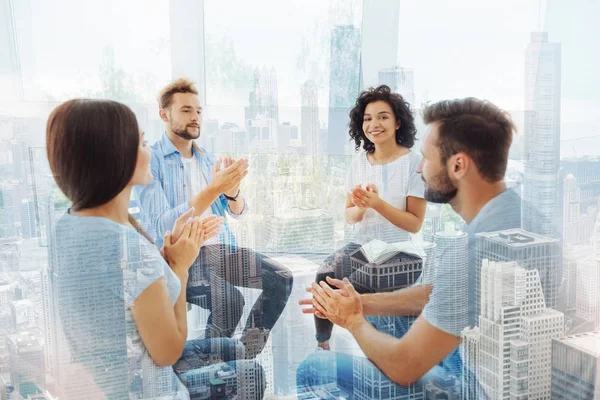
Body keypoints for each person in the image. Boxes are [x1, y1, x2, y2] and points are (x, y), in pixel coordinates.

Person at [297, 97, 522, 396]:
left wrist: (353, 318)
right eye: (367, 118)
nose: (419, 170)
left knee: (311, 370)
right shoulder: (504, 222)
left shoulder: (469, 252)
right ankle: (340, 342)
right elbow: (435, 293)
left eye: (426, 159)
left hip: (461, 376)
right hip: (466, 358)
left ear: (458, 165)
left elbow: (404, 366)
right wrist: (357, 305)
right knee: (350, 287)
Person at [46, 99, 265, 399]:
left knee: (231, 347)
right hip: (145, 387)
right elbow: (168, 352)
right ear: (115, 158)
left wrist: (163, 260)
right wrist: (179, 268)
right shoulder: (126, 245)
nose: (149, 152)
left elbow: (118, 290)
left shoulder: (68, 224)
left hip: (109, 374)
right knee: (251, 374)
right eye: (143, 144)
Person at [134, 78, 292, 353]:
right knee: (230, 302)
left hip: (221, 250)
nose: (195, 117)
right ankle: (209, 373)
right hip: (182, 256)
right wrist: (214, 187)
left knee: (281, 278)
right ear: (164, 114)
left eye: (198, 111)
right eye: (185, 110)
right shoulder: (151, 160)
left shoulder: (208, 160)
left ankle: (242, 357)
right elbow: (162, 225)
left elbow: (238, 212)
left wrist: (232, 192)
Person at [314, 85, 427, 350]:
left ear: (398, 122)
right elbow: (349, 216)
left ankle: (378, 354)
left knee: (350, 287)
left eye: (383, 117)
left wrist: (377, 203)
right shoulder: (360, 163)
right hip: (364, 246)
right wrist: (363, 207)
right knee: (324, 274)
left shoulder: (414, 163)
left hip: (401, 252)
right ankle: (323, 345)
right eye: (367, 118)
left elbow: (414, 222)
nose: (374, 124)